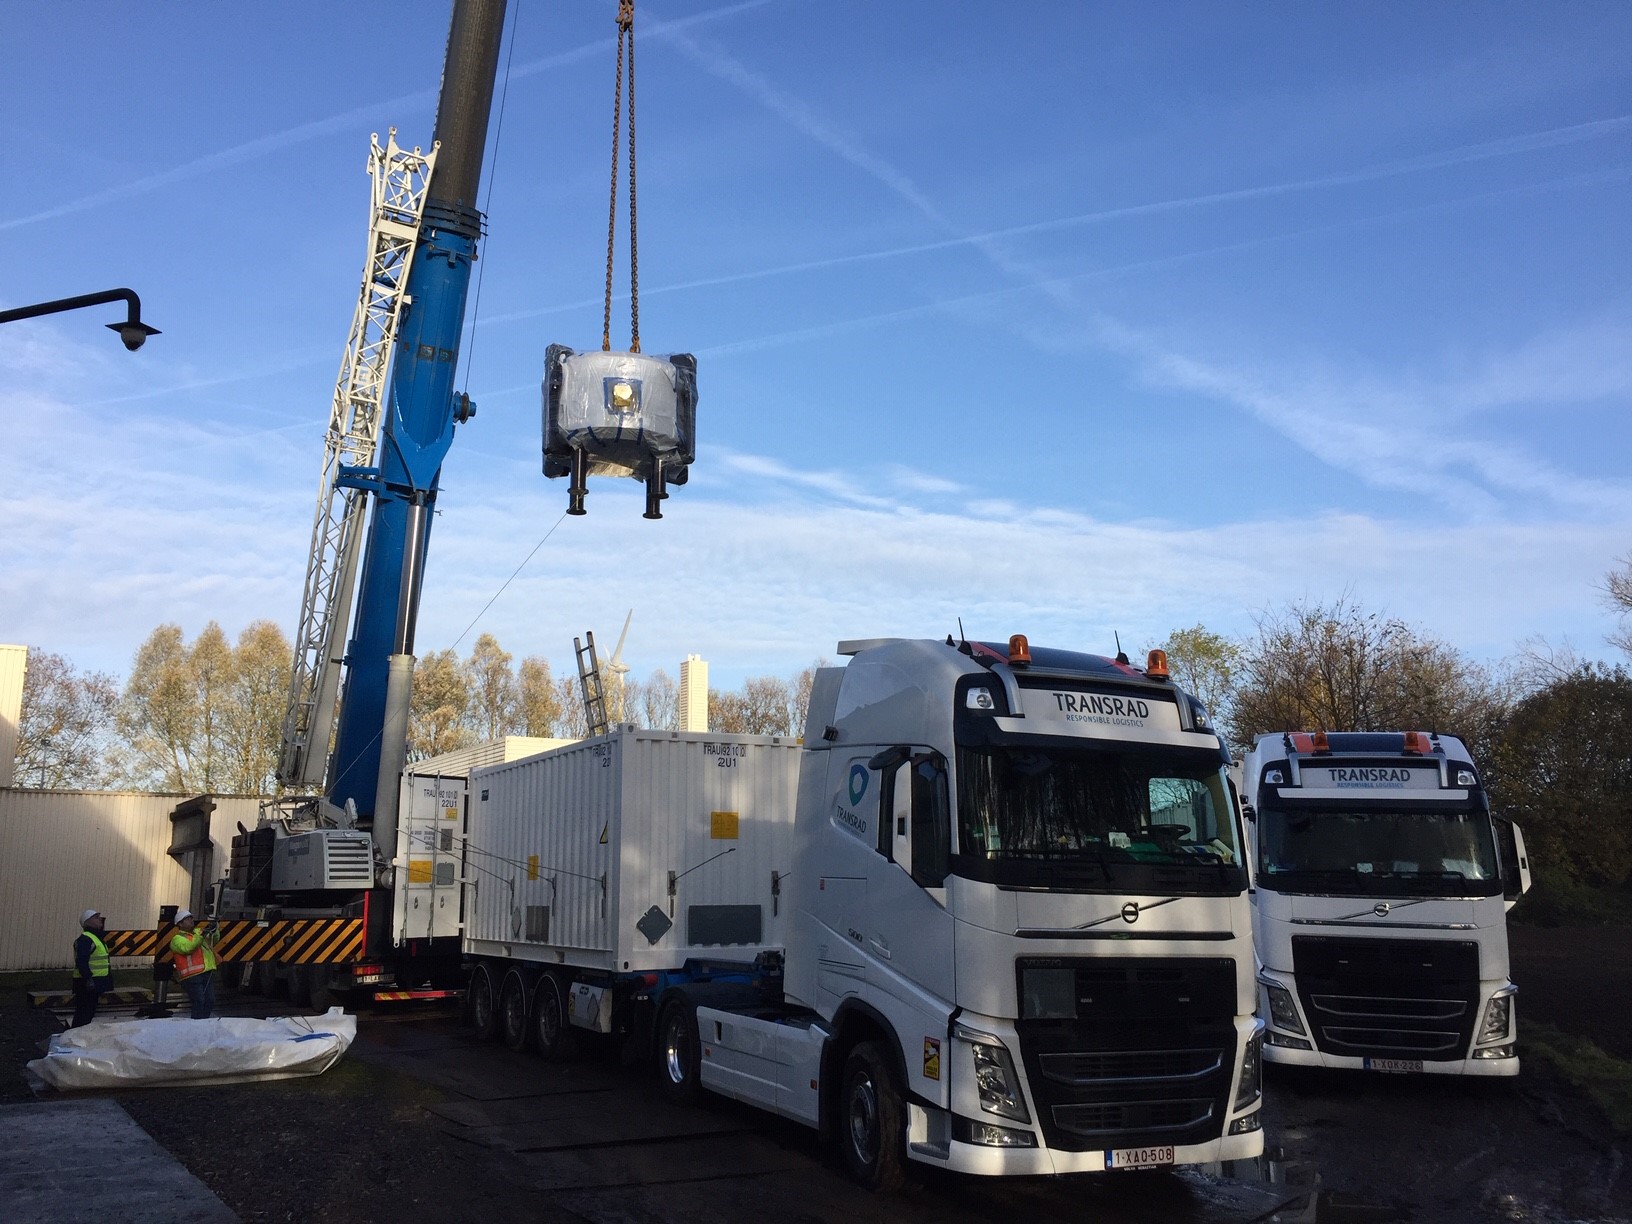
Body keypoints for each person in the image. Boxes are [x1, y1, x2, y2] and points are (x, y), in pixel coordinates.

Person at [169, 909, 220, 1019]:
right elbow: (188, 948)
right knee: (199, 1001)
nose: (191, 920)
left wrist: (215, 930)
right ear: (180, 924)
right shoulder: (177, 939)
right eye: (187, 919)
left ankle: (203, 1023)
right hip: (191, 977)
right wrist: (201, 935)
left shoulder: (198, 933)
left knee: (210, 1001)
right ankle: (196, 1024)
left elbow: (213, 940)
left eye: (191, 918)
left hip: (205, 972)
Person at [71, 909, 111, 1027]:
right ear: (87, 922)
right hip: (87, 983)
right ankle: (75, 1037)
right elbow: (81, 961)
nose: (99, 920)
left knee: (88, 1013)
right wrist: (88, 979)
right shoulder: (86, 939)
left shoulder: (96, 938)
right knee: (84, 1014)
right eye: (96, 918)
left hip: (94, 982)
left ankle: (79, 1037)